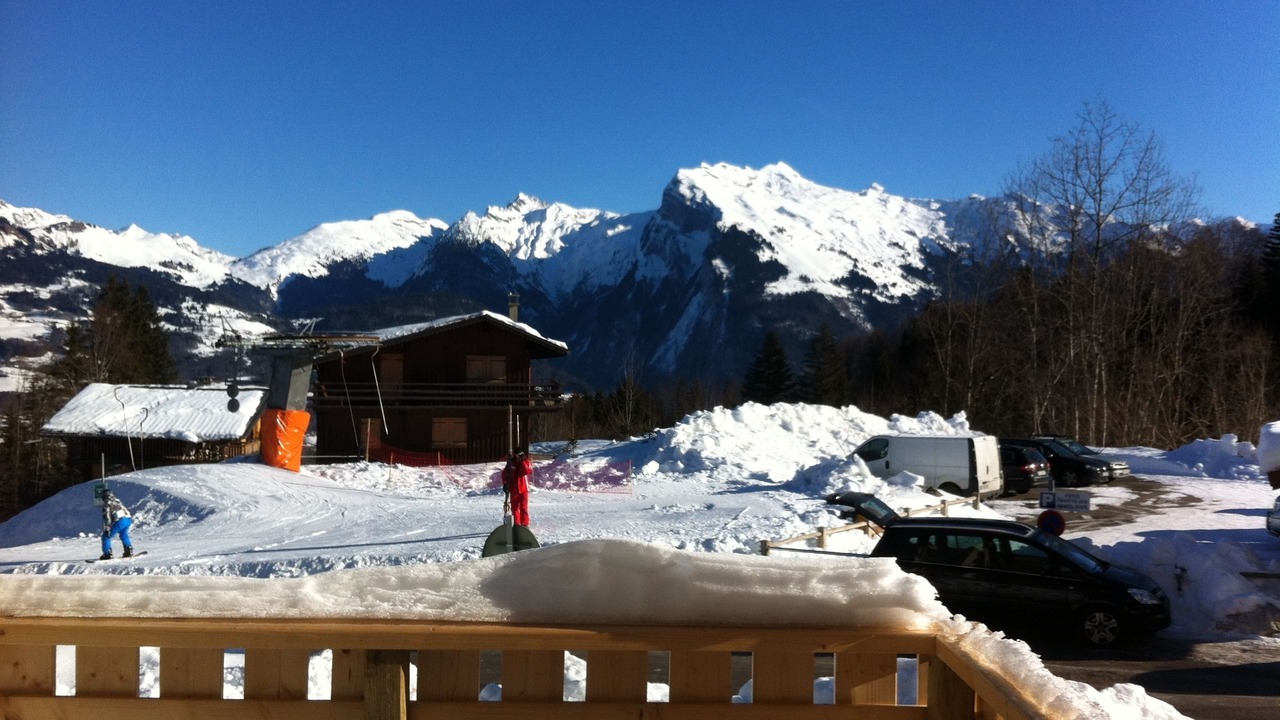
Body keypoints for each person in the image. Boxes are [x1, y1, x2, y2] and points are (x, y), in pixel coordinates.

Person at [100, 489, 135, 560]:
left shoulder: (107, 503)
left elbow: (107, 517)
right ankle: (129, 550)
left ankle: (107, 554)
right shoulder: (117, 501)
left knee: (106, 536)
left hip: (120, 521)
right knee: (123, 534)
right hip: (128, 519)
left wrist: (108, 527)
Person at [502, 451, 532, 527]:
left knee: (524, 507)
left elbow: (527, 471)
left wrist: (522, 462)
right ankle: (517, 524)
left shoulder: (526, 462)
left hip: (523, 488)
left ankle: (525, 524)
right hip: (514, 488)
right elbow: (504, 473)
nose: (517, 456)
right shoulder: (511, 463)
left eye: (519, 455)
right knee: (515, 508)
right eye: (516, 455)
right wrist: (505, 483)